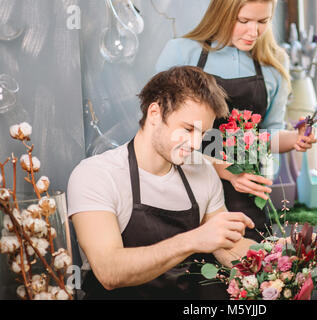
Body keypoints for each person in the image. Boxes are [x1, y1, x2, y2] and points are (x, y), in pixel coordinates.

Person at [67, 66, 257, 299]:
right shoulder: (96, 175)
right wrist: (192, 240)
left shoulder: (202, 173)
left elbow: (227, 248)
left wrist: (276, 256)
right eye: (188, 129)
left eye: (203, 134)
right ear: (155, 113)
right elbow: (109, 271)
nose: (197, 144)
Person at [156, 0, 317, 242]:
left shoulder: (273, 61)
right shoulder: (181, 52)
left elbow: (264, 137)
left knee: (254, 270)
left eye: (263, 21)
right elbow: (161, 131)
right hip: (189, 188)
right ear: (222, 13)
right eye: (243, 21)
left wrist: (294, 139)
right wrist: (228, 171)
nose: (253, 32)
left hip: (247, 197)